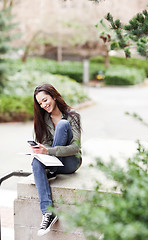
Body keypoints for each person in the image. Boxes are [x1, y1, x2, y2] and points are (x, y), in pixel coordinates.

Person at [30, 83, 82, 237]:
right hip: (53, 162)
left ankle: (51, 170)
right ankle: (48, 213)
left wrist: (49, 151)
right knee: (35, 161)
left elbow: (76, 148)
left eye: (45, 100)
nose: (44, 105)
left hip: (70, 162)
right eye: (40, 103)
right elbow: (45, 144)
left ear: (53, 96)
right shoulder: (43, 119)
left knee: (62, 125)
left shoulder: (73, 116)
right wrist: (39, 150)